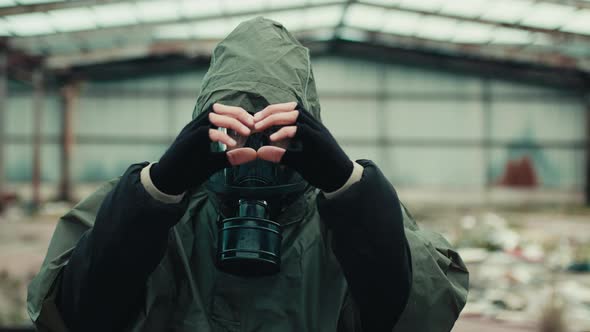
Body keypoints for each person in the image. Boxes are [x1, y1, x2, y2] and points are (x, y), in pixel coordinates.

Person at [27, 17, 468, 332]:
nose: (254, 157)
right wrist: (156, 191)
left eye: (273, 135)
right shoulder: (148, 207)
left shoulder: (350, 218)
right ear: (206, 124)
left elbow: (420, 313)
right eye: (234, 133)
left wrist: (348, 186)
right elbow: (74, 313)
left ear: (306, 127)